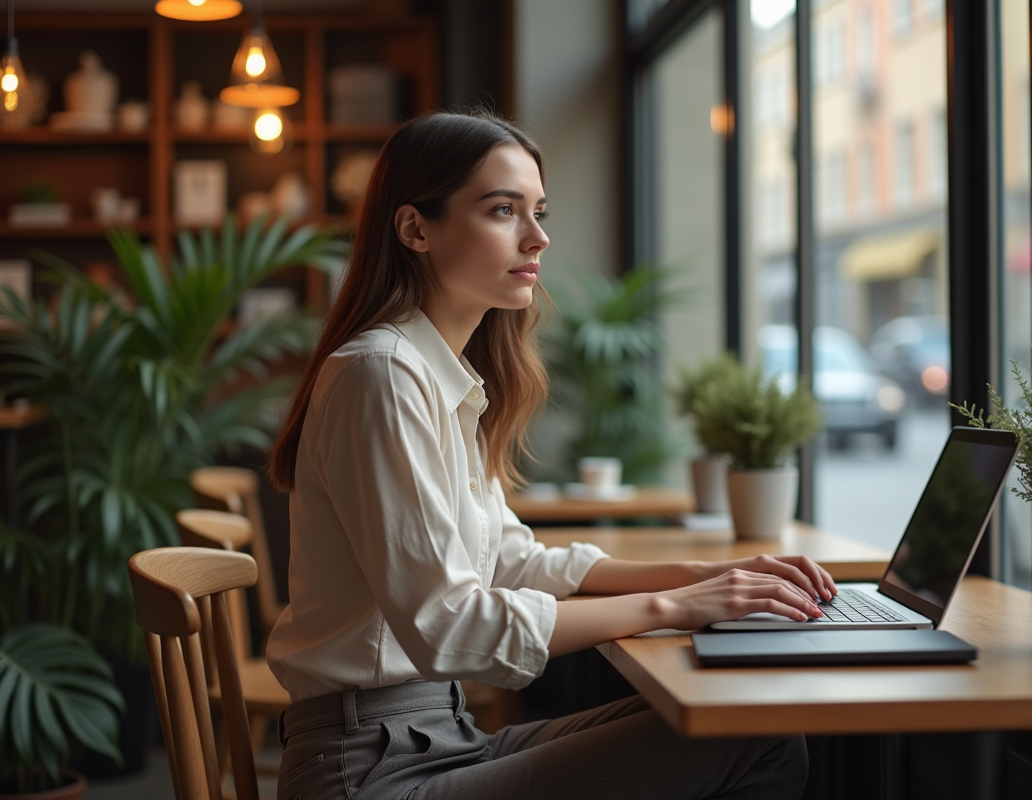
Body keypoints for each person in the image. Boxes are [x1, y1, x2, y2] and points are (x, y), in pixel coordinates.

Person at [266, 111, 837, 800]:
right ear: (415, 229)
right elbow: (449, 627)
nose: (538, 237)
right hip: (369, 771)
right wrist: (676, 606)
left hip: (435, 734)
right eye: (503, 210)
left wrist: (711, 576)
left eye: (537, 211)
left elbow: (514, 561)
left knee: (747, 723)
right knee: (760, 741)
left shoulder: (441, 376)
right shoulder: (382, 373)